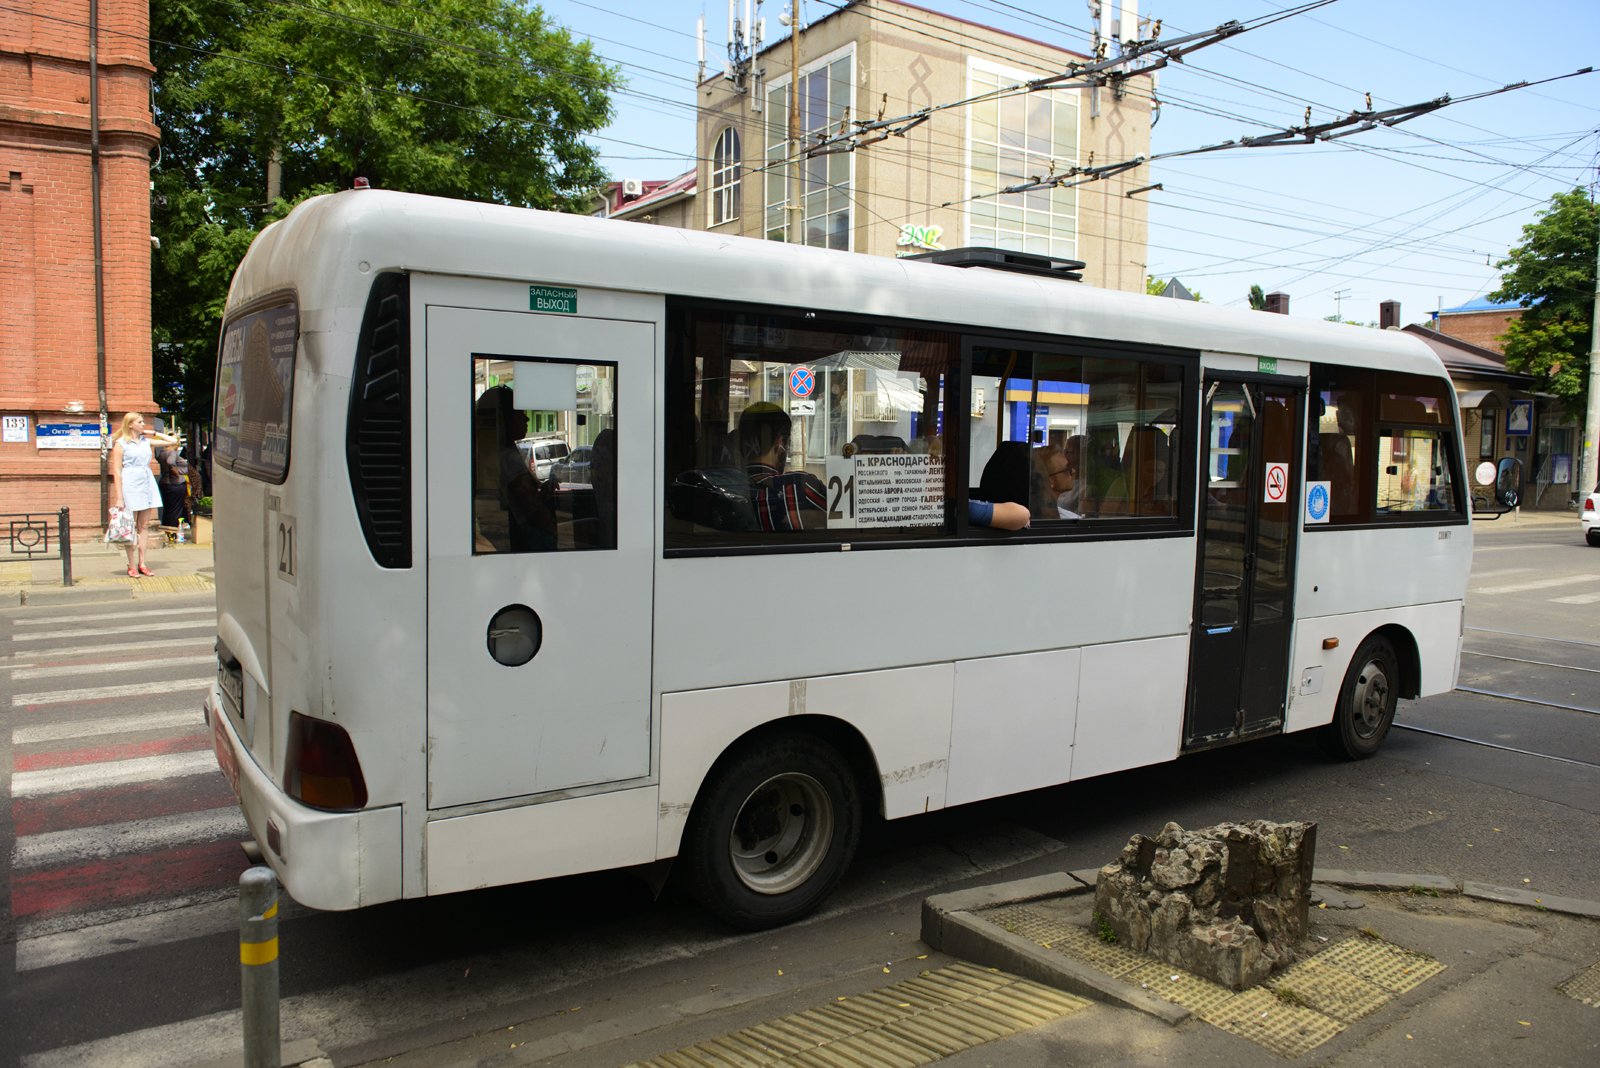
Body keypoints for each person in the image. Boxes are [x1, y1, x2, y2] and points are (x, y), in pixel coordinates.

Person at [739, 402, 826, 530]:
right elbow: (848, 514)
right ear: (779, 443)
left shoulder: (728, 487)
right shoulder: (800, 485)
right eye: (788, 443)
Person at [109, 412, 177, 577]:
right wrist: (119, 497)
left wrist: (151, 432)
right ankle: (131, 564)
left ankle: (142, 562)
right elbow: (117, 471)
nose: (143, 424)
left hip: (146, 482)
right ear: (130, 424)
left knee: (144, 525)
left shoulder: (145, 441)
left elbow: (173, 441)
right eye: (140, 422)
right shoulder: (121, 444)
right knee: (130, 526)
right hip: (130, 483)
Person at [157, 439, 191, 528]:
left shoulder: (162, 452)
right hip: (176, 483)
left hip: (165, 482)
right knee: (176, 509)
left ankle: (168, 529)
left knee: (169, 508)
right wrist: (175, 472)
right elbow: (170, 462)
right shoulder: (172, 452)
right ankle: (174, 529)